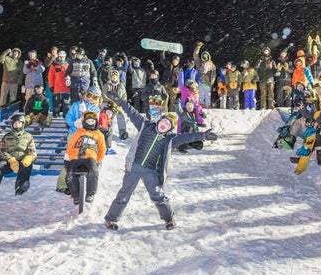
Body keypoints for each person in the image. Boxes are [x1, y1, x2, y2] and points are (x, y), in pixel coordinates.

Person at [104, 94, 218, 231]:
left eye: (169, 125)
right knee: (125, 193)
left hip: (150, 171)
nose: (165, 125)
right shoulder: (145, 126)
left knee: (158, 195)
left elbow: (186, 137)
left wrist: (203, 136)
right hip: (134, 166)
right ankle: (111, 219)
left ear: (170, 129)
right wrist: (120, 101)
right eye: (164, 122)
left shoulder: (169, 139)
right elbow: (131, 112)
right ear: (159, 121)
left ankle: (169, 219)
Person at [57, 86, 101, 193]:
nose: (91, 99)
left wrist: (85, 112)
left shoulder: (95, 109)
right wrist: (74, 123)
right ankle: (62, 184)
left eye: (94, 97)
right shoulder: (77, 104)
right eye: (90, 95)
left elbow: (94, 121)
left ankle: (80, 184)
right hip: (74, 134)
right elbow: (68, 117)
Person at [0, 113, 37, 196]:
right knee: (0, 165)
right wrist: (10, 159)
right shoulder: (6, 137)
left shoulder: (28, 136)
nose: (16, 125)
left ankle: (21, 185)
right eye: (15, 123)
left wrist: (29, 157)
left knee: (26, 166)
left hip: (22, 160)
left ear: (22, 124)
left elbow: (33, 152)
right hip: (10, 161)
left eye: (19, 123)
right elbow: (2, 151)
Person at [63, 111, 106, 204]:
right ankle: (76, 195)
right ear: (84, 122)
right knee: (70, 175)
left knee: (93, 172)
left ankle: (90, 194)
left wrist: (97, 160)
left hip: (90, 157)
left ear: (96, 122)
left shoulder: (99, 134)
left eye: (92, 121)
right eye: (88, 121)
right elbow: (70, 145)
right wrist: (67, 158)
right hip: (76, 157)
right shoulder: (78, 132)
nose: (90, 123)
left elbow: (102, 149)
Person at [102, 70, 129, 140]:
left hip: (118, 104)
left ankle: (122, 132)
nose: (114, 77)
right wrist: (110, 102)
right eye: (113, 76)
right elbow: (103, 95)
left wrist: (121, 103)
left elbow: (124, 96)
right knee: (108, 114)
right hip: (109, 104)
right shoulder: (106, 85)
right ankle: (106, 130)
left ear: (118, 77)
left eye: (116, 76)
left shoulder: (121, 86)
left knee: (121, 114)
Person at [48, 50, 72, 117]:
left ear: (65, 57)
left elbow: (71, 75)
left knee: (66, 103)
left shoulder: (68, 65)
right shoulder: (54, 65)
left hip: (66, 88)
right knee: (56, 103)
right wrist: (51, 86)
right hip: (57, 88)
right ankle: (56, 115)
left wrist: (71, 84)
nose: (61, 59)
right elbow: (50, 76)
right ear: (58, 57)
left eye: (63, 57)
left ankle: (66, 116)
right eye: (60, 57)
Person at [193, 42, 216, 108]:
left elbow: (214, 73)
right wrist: (198, 48)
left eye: (206, 56)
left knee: (208, 95)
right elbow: (195, 55)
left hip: (207, 82)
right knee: (201, 94)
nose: (205, 57)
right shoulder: (199, 63)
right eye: (204, 56)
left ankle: (208, 105)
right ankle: (201, 104)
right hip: (200, 81)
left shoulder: (212, 65)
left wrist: (213, 80)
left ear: (208, 56)